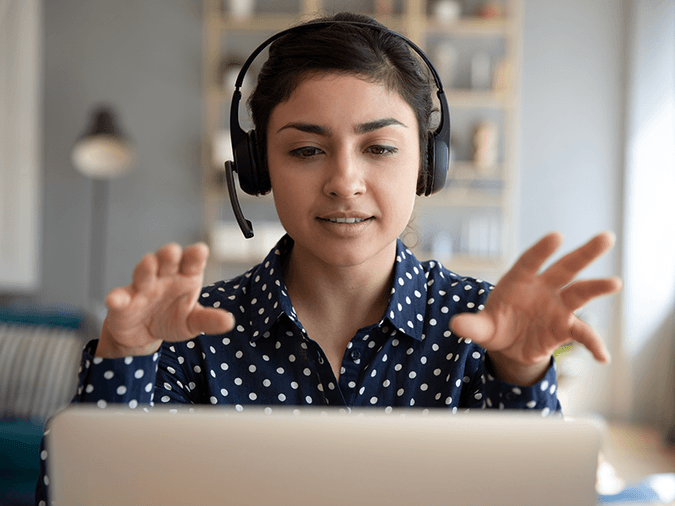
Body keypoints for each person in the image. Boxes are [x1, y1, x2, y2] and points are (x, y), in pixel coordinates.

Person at [35, 11, 622, 505]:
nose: (345, 181)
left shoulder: (484, 329)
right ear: (259, 168)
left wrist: (519, 375)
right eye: (307, 149)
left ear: (425, 165)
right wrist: (123, 359)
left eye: (380, 147)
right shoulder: (188, 331)